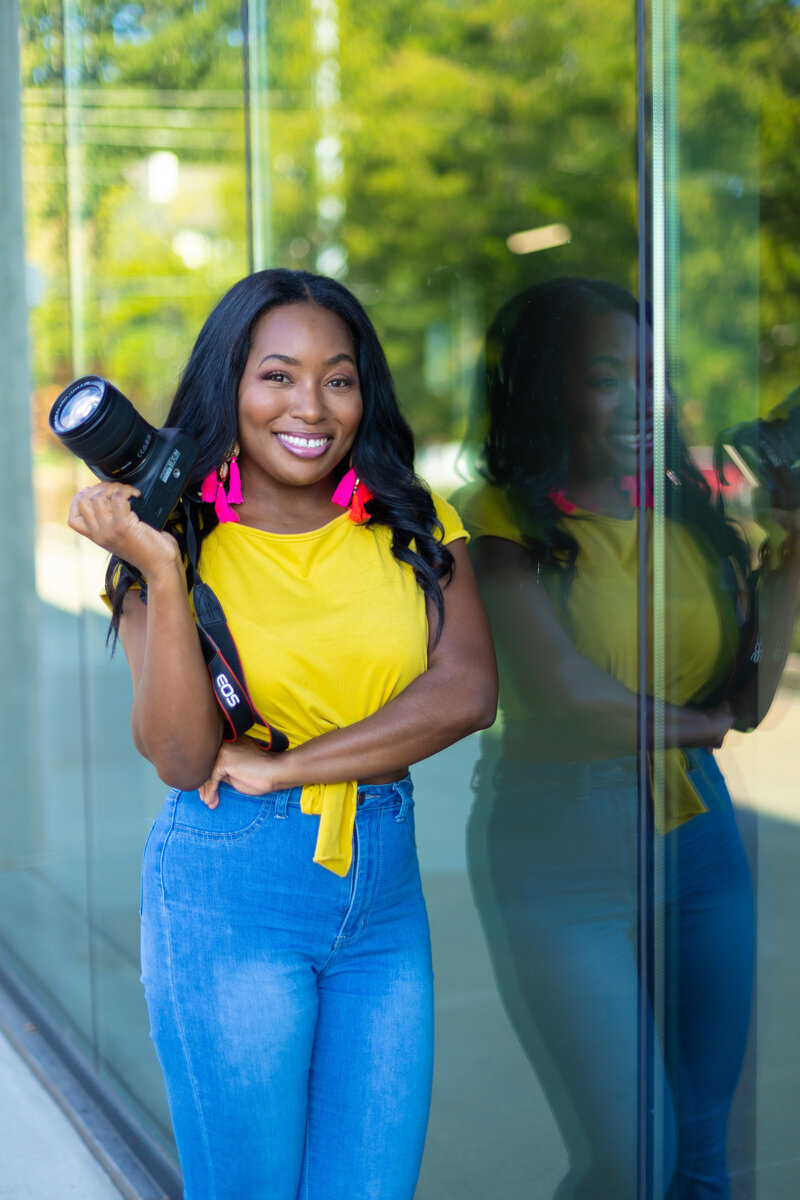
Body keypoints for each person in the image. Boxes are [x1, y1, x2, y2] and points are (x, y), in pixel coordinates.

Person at [67, 268, 498, 1200]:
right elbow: (182, 758)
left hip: (382, 888)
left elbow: (466, 691)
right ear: (230, 385)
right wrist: (163, 571)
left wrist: (291, 764)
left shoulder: (412, 521)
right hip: (230, 892)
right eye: (278, 375)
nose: (311, 405)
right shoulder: (170, 536)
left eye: (338, 378)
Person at [456, 278, 800, 1199]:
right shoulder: (501, 521)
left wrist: (792, 550)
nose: (639, 398)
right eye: (606, 377)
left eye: (650, 374)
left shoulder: (690, 521)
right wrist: (702, 726)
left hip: (698, 834)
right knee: (631, 1161)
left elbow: (752, 699)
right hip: (559, 843)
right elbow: (568, 692)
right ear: (549, 394)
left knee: (699, 1156)